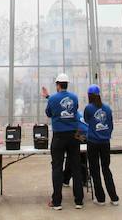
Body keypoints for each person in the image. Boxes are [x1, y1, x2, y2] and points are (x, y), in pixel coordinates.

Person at [42, 72, 84, 210]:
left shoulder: (53, 99)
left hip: (59, 137)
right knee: (76, 167)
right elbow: (74, 112)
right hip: (74, 136)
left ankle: (57, 202)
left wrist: (48, 98)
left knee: (57, 168)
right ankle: (79, 201)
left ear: (58, 85)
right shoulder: (74, 98)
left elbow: (49, 113)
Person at [83, 85, 119, 206]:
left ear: (89, 95)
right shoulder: (107, 108)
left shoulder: (88, 108)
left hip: (93, 142)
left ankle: (101, 199)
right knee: (106, 169)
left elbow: (87, 121)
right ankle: (114, 198)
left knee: (95, 170)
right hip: (105, 143)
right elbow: (111, 125)